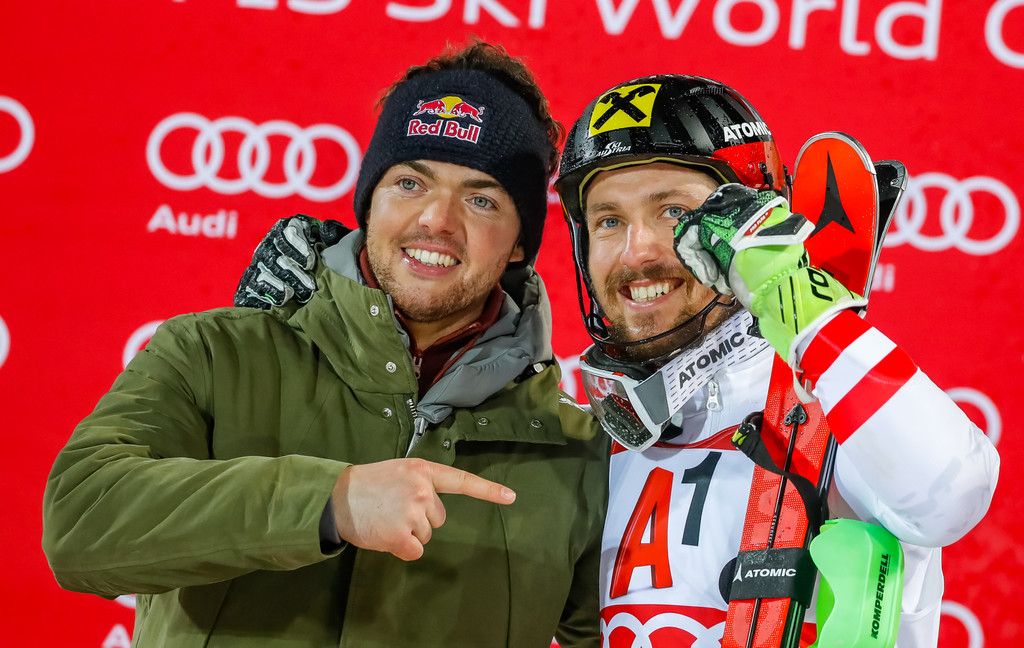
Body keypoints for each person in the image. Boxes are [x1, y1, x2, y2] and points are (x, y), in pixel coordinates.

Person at [248, 74, 999, 647]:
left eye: (674, 212)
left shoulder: (836, 401)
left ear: (754, 218)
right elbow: (388, 549)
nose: (637, 252)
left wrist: (802, 307)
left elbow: (952, 494)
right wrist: (318, 336)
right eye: (607, 220)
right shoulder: (573, 432)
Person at [42, 42, 608, 648]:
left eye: (481, 199)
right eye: (410, 182)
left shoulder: (575, 449)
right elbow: (80, 520)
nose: (436, 220)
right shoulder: (211, 352)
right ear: (369, 202)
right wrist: (331, 501)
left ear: (520, 241)